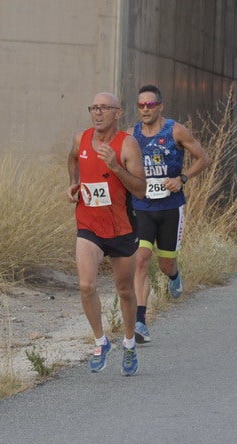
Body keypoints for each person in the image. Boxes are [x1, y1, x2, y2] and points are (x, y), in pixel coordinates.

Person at [67, 92, 146, 376]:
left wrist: (115, 166)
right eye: (94, 108)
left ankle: (128, 344)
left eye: (104, 108)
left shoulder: (127, 145)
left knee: (125, 290)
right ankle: (101, 342)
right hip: (89, 223)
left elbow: (140, 189)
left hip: (121, 227)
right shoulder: (81, 139)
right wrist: (74, 184)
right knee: (86, 285)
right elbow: (73, 160)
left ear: (118, 113)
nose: (97, 113)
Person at [127, 84, 211, 344]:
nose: (145, 109)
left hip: (171, 208)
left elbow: (203, 158)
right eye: (141, 105)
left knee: (165, 264)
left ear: (160, 106)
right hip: (142, 207)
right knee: (141, 259)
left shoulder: (175, 130)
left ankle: (174, 276)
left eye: (150, 105)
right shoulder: (130, 136)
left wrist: (182, 178)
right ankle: (140, 321)